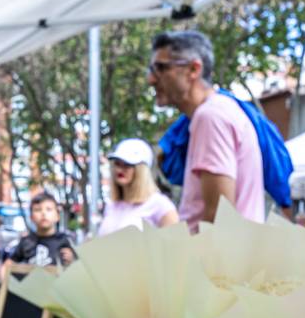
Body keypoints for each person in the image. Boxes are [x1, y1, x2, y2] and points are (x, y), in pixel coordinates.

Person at [148, 30, 265, 231]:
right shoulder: (217, 112)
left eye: (161, 68)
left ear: (193, 69)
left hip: (216, 260)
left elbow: (219, 217)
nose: (151, 79)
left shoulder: (210, 117)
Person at [97, 138, 179, 236]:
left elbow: (176, 243)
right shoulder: (112, 206)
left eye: (127, 164)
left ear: (141, 170)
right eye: (117, 164)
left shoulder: (159, 204)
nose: (120, 169)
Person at [7, 193, 75, 267]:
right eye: (38, 210)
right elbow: (9, 264)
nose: (43, 213)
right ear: (31, 217)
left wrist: (72, 260)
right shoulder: (26, 241)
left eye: (49, 209)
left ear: (57, 216)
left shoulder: (65, 240)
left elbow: (78, 266)